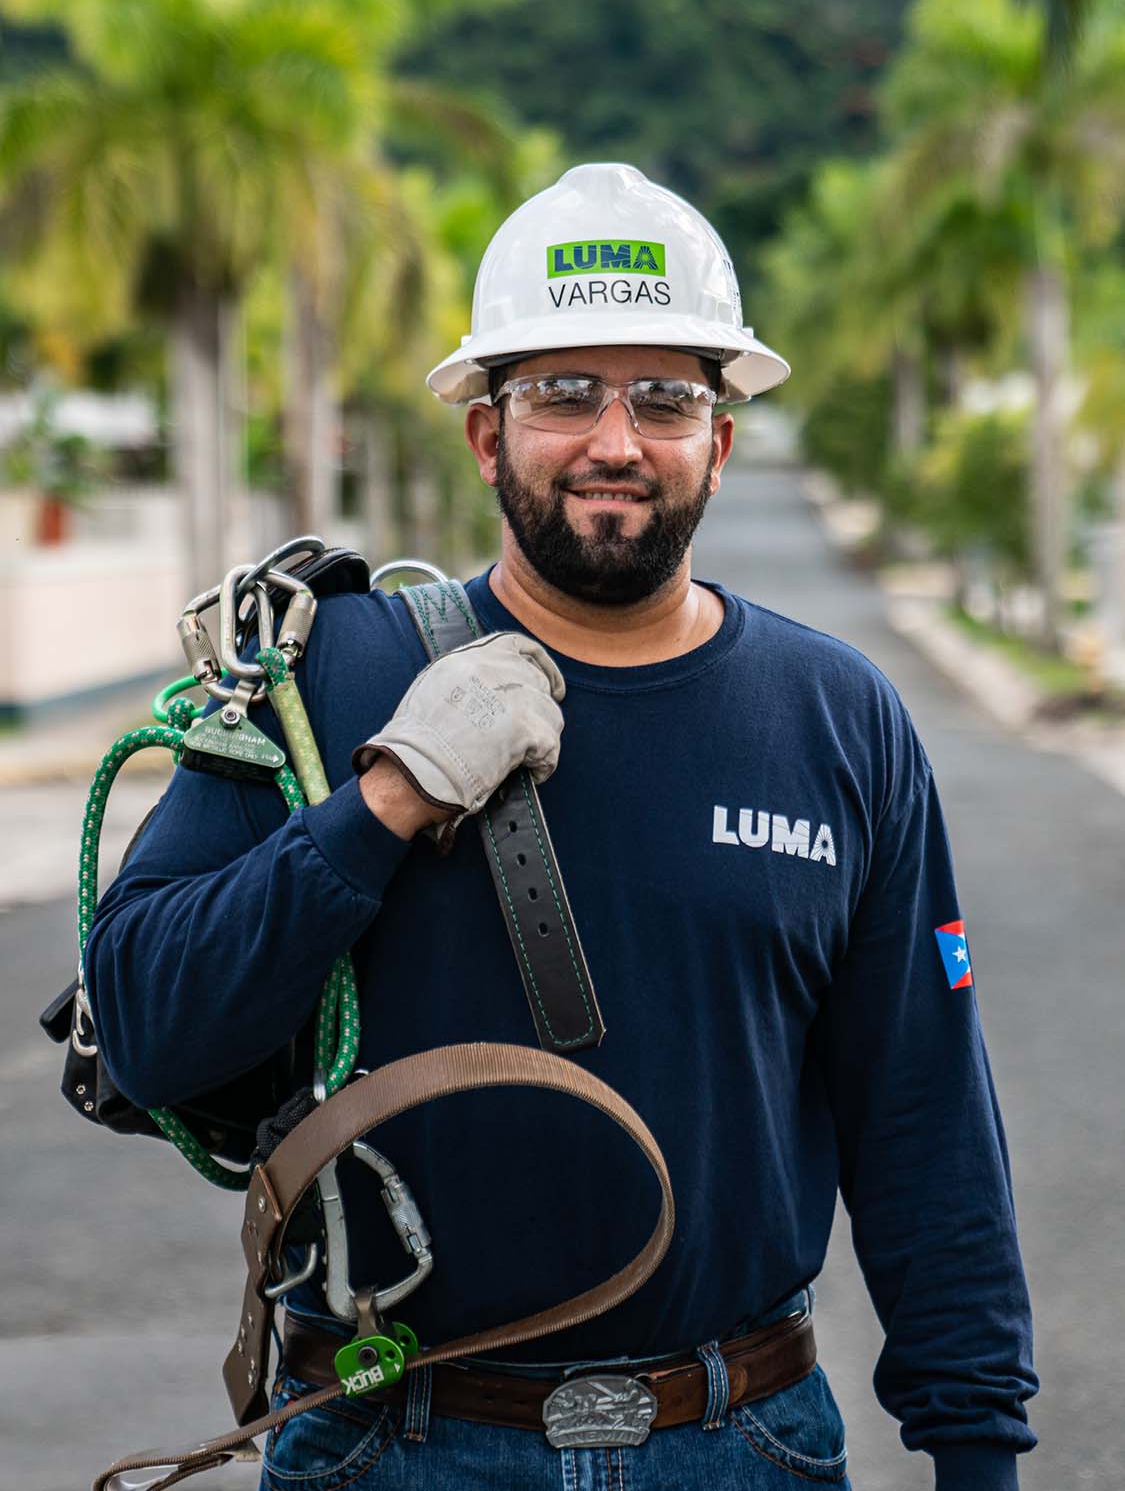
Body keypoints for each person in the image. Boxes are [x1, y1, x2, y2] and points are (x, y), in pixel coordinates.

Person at [87, 163, 1037, 1491]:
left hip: (743, 1443)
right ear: (489, 437)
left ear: (719, 442)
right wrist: (383, 803)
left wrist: (976, 1446)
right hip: (395, 1443)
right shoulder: (325, 678)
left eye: (665, 400)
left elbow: (921, 1111)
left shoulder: (837, 716)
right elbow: (148, 1029)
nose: (616, 441)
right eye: (565, 394)